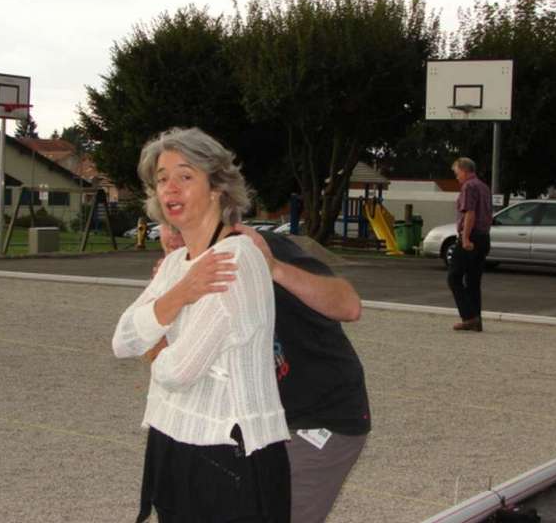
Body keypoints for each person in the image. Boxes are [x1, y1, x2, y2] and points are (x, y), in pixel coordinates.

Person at [112, 127, 290, 523]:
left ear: (217, 187)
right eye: (161, 179)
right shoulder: (179, 264)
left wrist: (154, 345)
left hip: (228, 452)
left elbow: (178, 371)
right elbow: (122, 340)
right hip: (171, 439)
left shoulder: (234, 261)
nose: (170, 188)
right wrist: (181, 293)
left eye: (185, 175)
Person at [153, 223, 370, 523]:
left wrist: (274, 268)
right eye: (169, 225)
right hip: (254, 426)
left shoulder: (256, 248)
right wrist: (164, 304)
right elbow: (169, 371)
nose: (176, 236)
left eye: (186, 225)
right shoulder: (182, 280)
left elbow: (349, 305)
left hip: (317, 419)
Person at [447, 157, 493, 332]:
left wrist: (465, 238)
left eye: (456, 173)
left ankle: (469, 317)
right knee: (473, 280)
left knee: (454, 277)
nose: (456, 176)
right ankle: (476, 318)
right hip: (484, 237)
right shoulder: (483, 186)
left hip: (471, 237)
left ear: (464, 170)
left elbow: (470, 213)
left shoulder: (469, 186)